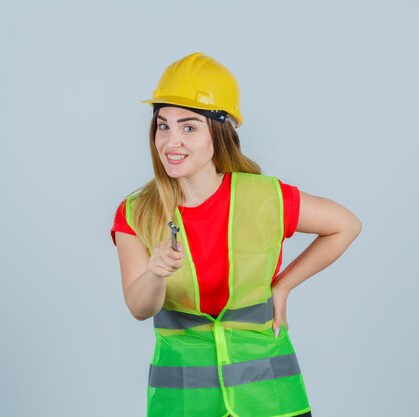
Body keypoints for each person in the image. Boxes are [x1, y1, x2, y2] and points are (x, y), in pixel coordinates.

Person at [110, 52, 362, 417]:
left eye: (189, 127)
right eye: (162, 125)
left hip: (270, 399)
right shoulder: (136, 211)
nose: (170, 141)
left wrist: (284, 285)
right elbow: (139, 307)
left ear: (220, 132)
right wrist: (156, 272)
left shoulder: (264, 197)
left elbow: (345, 225)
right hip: (184, 403)